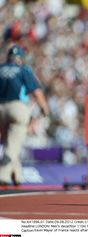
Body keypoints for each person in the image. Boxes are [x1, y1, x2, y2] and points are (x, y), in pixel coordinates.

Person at [0, 44, 49, 185]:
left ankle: (17, 175)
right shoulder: (23, 69)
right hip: (17, 107)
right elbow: (36, 91)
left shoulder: (0, 68)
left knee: (9, 142)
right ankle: (3, 174)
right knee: (14, 144)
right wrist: (44, 109)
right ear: (20, 58)